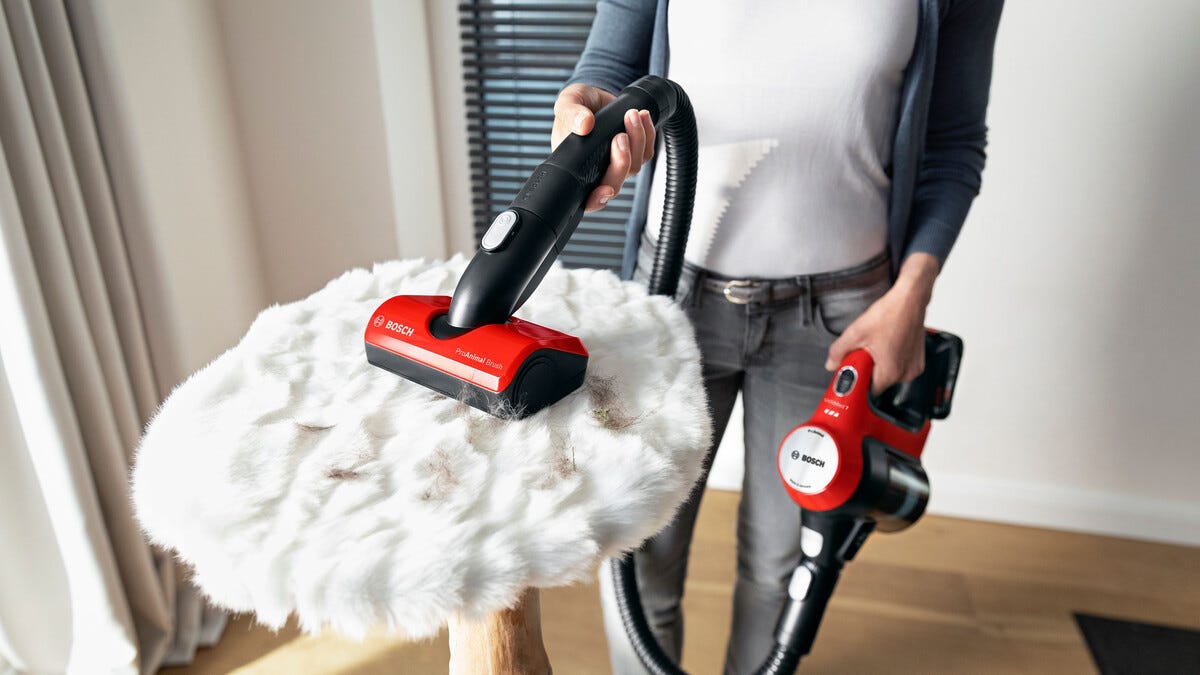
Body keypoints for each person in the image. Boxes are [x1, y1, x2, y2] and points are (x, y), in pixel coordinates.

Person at [550, 1, 1004, 673]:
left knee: (780, 564)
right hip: (671, 297)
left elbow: (953, 143)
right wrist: (587, 115)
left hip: (837, 321)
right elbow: (610, 68)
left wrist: (912, 294)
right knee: (638, 552)